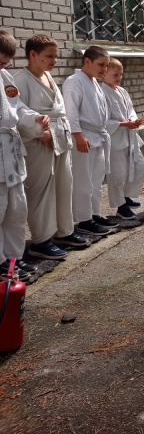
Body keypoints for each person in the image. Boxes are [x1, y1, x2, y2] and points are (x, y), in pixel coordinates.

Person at [16, 34, 87, 261]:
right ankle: (41, 241)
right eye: (49, 56)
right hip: (38, 144)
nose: (54, 61)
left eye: (56, 56)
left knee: (63, 186)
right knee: (42, 191)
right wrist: (39, 133)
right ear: (33, 54)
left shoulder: (47, 76)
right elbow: (16, 116)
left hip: (60, 138)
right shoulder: (20, 80)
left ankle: (63, 232)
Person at [0, 30, 50, 283]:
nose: (4, 66)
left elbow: (17, 107)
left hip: (10, 153)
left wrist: (35, 118)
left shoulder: (5, 77)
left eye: (6, 61)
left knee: (16, 210)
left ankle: (12, 257)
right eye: (0, 61)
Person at [63, 45, 118, 236]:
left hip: (98, 136)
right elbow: (71, 111)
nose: (104, 69)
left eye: (107, 65)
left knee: (96, 181)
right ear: (87, 61)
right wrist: (77, 134)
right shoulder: (74, 81)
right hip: (83, 136)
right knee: (83, 182)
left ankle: (94, 214)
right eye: (101, 64)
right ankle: (84, 219)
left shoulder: (94, 82)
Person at [101, 58, 144, 220]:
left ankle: (127, 196)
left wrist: (134, 121)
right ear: (104, 74)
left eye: (120, 74)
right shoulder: (102, 92)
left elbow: (131, 110)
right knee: (118, 174)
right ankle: (120, 206)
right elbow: (103, 121)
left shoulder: (122, 91)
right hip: (115, 138)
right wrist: (124, 124)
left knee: (139, 166)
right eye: (115, 74)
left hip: (130, 135)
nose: (119, 77)